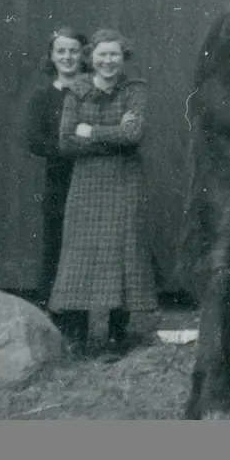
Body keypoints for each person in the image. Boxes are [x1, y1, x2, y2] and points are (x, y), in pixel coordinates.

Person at [48, 28, 158, 361]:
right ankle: (79, 337)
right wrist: (114, 134)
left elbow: (134, 134)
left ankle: (115, 336)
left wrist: (91, 131)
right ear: (90, 58)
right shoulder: (77, 91)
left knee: (121, 252)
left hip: (125, 183)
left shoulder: (135, 91)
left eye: (114, 55)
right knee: (80, 256)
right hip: (86, 184)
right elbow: (66, 141)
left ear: (123, 58)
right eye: (101, 55)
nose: (108, 61)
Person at [23, 26, 89, 343]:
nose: (67, 57)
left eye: (73, 50)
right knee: (57, 250)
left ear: (82, 55)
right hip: (60, 183)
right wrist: (70, 145)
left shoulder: (92, 93)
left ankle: (82, 328)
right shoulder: (43, 97)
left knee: (86, 252)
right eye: (61, 51)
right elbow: (35, 140)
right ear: (51, 56)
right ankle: (53, 328)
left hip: (93, 181)